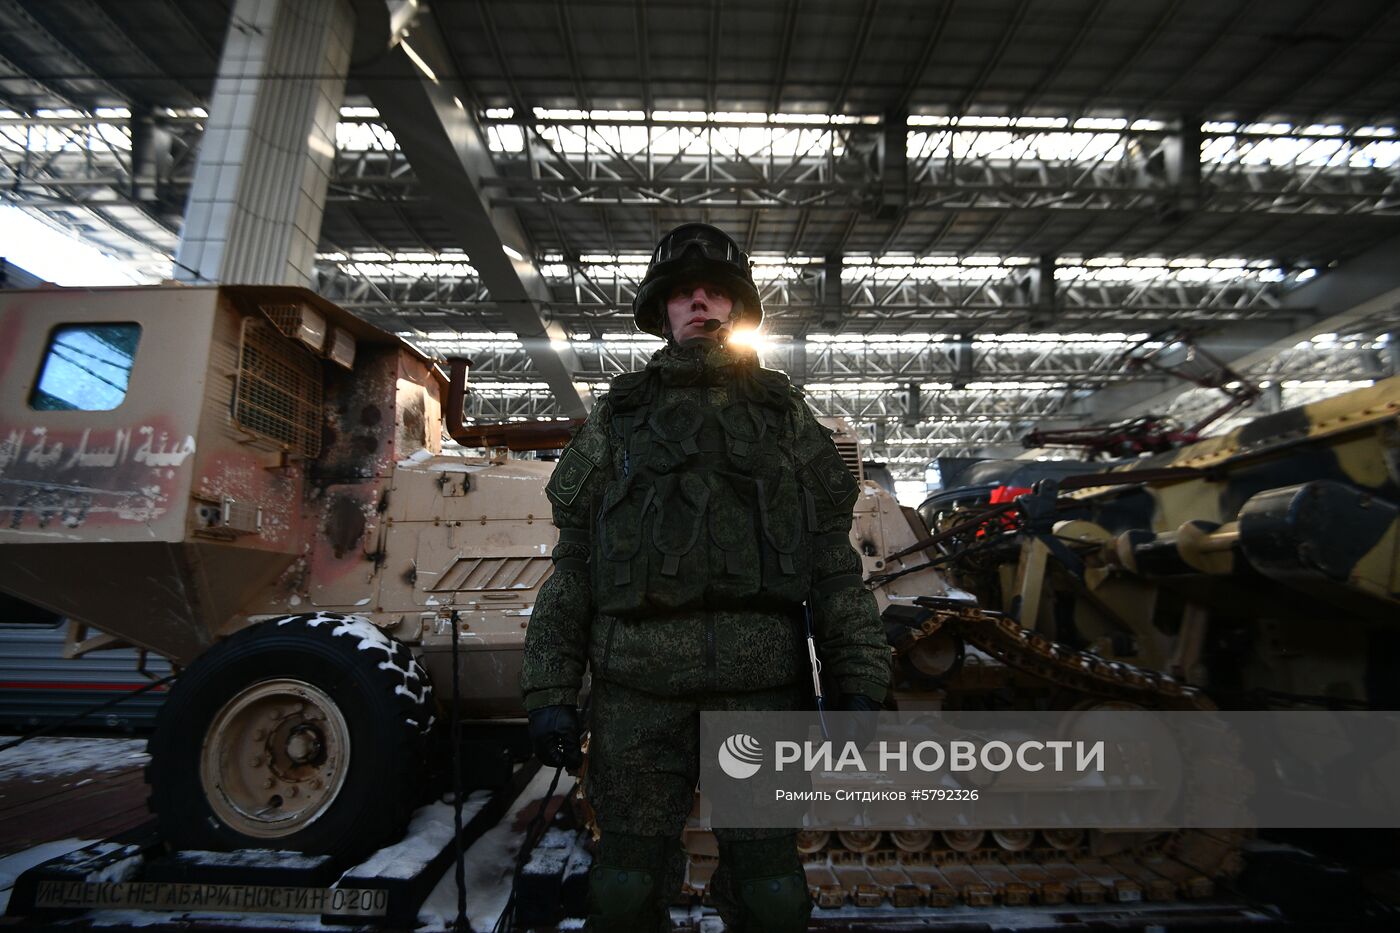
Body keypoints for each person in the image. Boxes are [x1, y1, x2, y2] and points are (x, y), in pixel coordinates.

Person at [521, 222, 891, 931]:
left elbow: (834, 567)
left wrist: (860, 680)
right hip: (637, 694)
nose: (699, 304)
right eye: (684, 294)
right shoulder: (619, 420)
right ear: (662, 311)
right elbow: (573, 566)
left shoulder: (785, 419)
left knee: (772, 894)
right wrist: (549, 688)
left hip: (760, 692)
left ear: (737, 309)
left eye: (715, 293)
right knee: (623, 889)